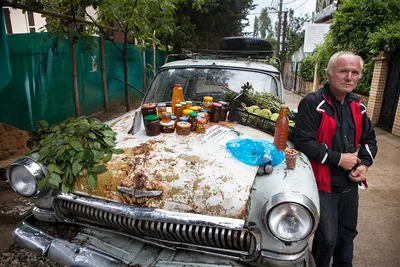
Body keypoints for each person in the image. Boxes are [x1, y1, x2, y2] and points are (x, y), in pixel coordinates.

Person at [294, 51, 378, 267]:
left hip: (349, 184)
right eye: (343, 71)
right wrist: (339, 158)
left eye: (355, 72)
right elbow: (303, 142)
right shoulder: (312, 103)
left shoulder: (358, 106)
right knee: (327, 239)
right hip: (323, 184)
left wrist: (365, 165)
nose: (349, 77)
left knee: (347, 235)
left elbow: (369, 140)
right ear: (329, 74)